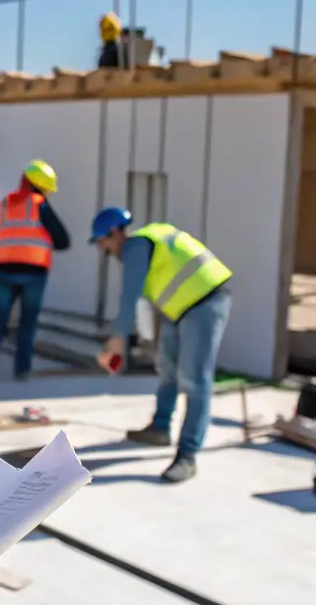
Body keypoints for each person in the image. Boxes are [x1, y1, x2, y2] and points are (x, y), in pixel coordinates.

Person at [90, 206, 233, 483]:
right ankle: (159, 428)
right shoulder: (144, 247)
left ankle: (187, 456)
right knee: (167, 369)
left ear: (115, 233)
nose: (102, 249)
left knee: (194, 380)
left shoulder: (135, 247)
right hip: (178, 310)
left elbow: (128, 297)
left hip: (206, 302)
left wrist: (117, 340)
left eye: (102, 241)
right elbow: (143, 300)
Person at [0, 160, 70, 383]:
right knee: (27, 323)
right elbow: (63, 240)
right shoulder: (40, 206)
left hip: (2, 271)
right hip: (33, 272)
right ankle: (22, 370)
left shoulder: (3, 204)